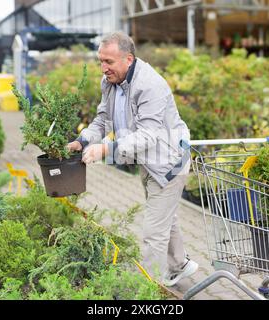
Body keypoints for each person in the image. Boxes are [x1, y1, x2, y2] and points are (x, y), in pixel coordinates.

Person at [67, 31, 198, 286]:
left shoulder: (150, 85)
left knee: (153, 232)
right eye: (101, 61)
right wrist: (82, 141)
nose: (103, 68)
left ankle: (147, 290)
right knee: (164, 217)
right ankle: (180, 264)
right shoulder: (110, 81)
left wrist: (105, 150)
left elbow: (147, 136)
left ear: (128, 59)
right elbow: (102, 120)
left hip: (168, 162)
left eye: (109, 62)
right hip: (147, 160)